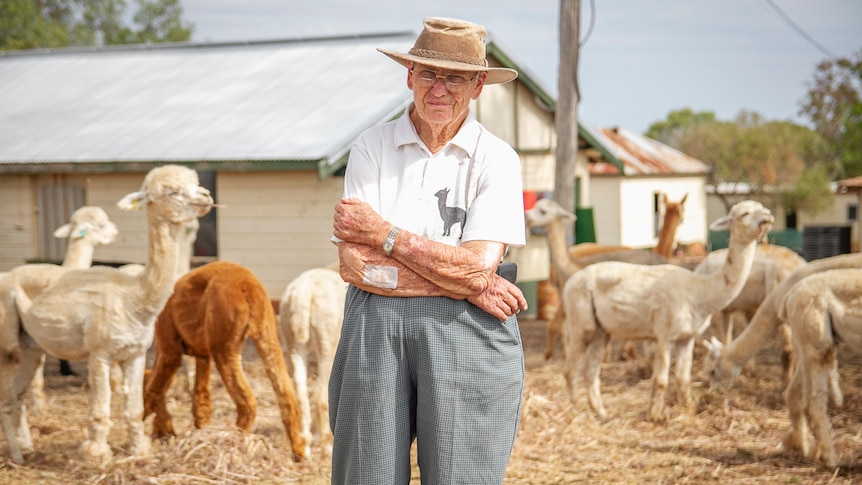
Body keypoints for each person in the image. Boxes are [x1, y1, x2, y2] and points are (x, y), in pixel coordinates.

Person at [329, 16, 528, 485]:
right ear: (409, 77)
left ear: (478, 86)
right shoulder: (371, 146)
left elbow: (479, 264)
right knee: (367, 474)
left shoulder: (496, 158)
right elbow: (355, 265)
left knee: (464, 474)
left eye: (455, 77)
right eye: (429, 74)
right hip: (378, 327)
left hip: (467, 332)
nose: (440, 89)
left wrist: (385, 235)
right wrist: (466, 286)